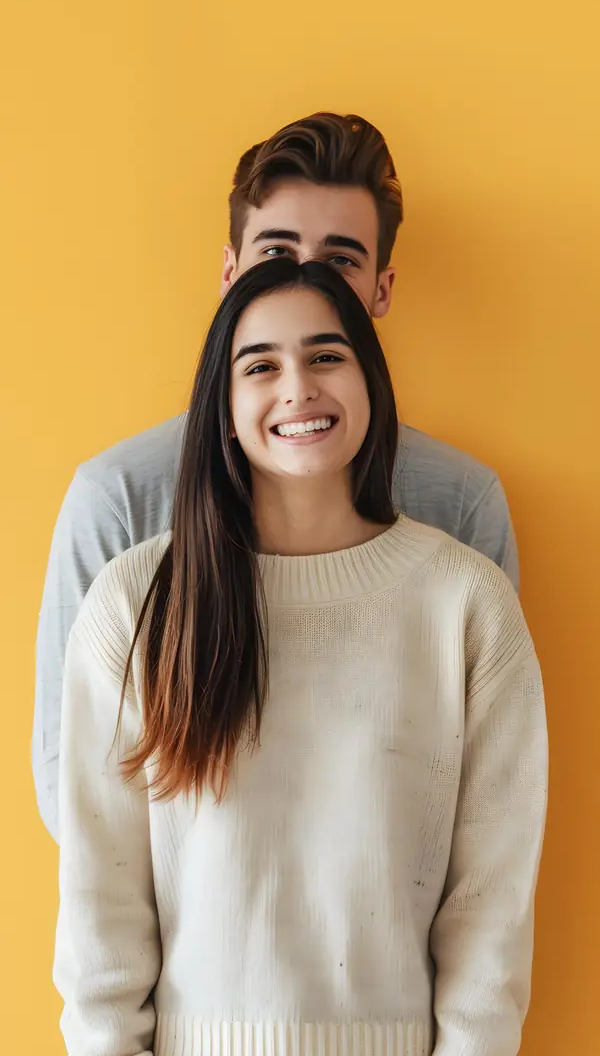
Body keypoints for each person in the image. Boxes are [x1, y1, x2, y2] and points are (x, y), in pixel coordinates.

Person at [53, 258, 547, 1056]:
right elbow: (100, 878)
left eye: (327, 356)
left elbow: (493, 890)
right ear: (223, 398)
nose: (298, 389)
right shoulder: (140, 602)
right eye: (260, 365)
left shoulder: (464, 603)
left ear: (370, 378)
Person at [34, 111, 519, 845]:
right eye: (276, 252)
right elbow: (73, 786)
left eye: (341, 261)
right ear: (230, 271)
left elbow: (488, 792)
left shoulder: (460, 503)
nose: (306, 279)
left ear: (382, 288)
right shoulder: (120, 498)